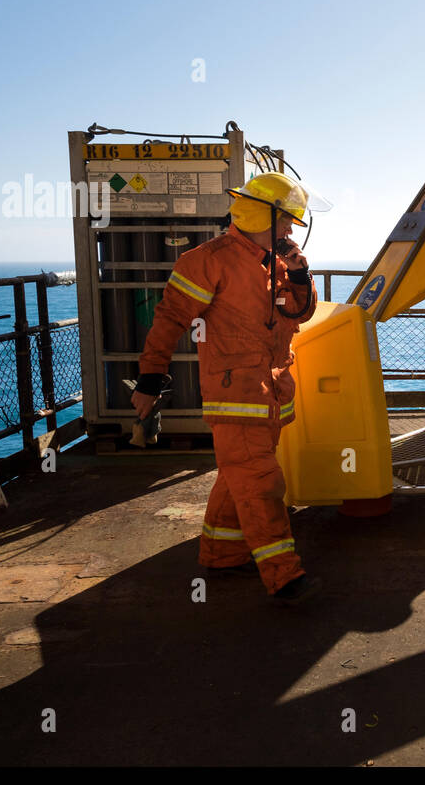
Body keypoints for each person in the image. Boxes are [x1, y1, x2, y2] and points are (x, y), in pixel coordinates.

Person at [130, 171, 329, 605]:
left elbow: (299, 313)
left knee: (237, 474)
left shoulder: (273, 263)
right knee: (260, 481)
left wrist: (298, 275)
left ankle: (221, 551)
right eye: (286, 221)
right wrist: (149, 379)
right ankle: (284, 575)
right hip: (235, 395)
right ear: (264, 214)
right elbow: (170, 320)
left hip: (270, 392)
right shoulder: (207, 260)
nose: (291, 230)